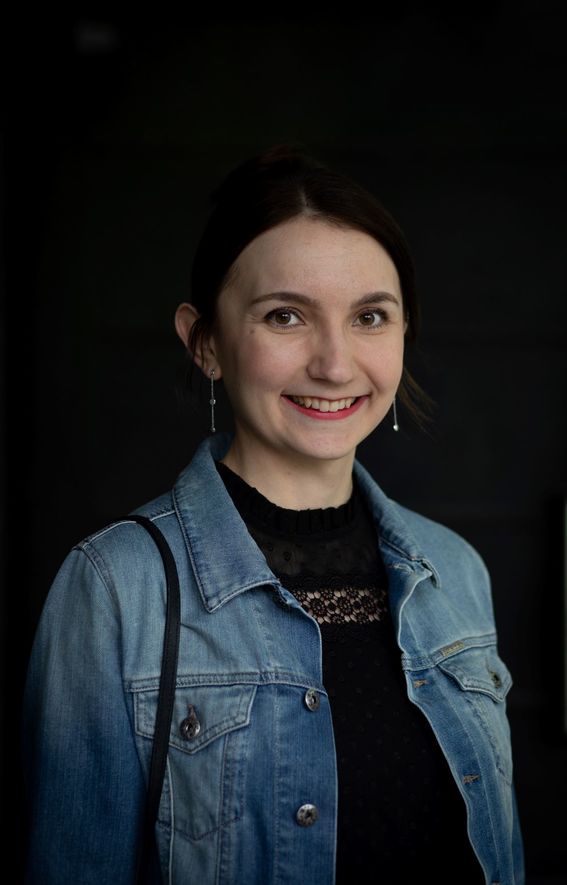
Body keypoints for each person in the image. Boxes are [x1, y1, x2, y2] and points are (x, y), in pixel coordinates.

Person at [22, 144, 525, 884]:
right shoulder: (114, 587)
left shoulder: (453, 569)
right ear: (205, 343)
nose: (335, 364)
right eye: (285, 316)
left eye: (370, 316)